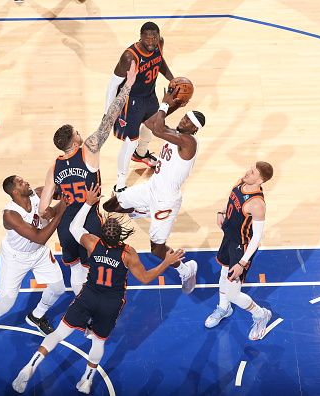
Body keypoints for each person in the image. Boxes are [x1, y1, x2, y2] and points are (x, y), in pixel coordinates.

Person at [12, 184, 184, 394]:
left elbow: (75, 227)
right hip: (110, 304)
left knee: (58, 334)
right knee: (98, 341)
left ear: (102, 233)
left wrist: (87, 203)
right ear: (121, 236)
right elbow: (146, 278)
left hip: (88, 297)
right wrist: (167, 262)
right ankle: (86, 380)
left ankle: (30, 365)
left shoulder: (93, 243)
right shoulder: (127, 253)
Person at [38, 61, 137, 296]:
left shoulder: (54, 165)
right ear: (74, 141)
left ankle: (78, 304)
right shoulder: (89, 149)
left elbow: (43, 209)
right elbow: (110, 118)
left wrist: (57, 211)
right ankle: (91, 307)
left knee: (74, 269)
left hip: (65, 224)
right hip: (88, 220)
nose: (81, 134)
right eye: (77, 133)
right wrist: (128, 86)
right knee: (93, 269)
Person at [101, 87, 204, 293]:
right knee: (111, 204)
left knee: (156, 249)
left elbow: (157, 129)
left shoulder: (188, 142)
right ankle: (142, 210)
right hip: (151, 188)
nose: (183, 122)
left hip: (166, 200)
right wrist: (175, 104)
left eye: (188, 123)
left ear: (194, 130)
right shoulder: (175, 133)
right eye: (184, 118)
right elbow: (150, 123)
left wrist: (166, 103)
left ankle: (185, 270)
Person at [0, 176, 68, 359]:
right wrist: (61, 212)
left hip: (39, 253)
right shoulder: (10, 214)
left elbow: (59, 197)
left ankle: (37, 315)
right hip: (15, 258)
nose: (26, 182)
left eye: (24, 180)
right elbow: (40, 236)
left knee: (58, 288)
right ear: (15, 192)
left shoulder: (39, 194)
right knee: (5, 303)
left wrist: (66, 195)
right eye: (21, 183)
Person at [204, 162, 275, 340]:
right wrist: (221, 212)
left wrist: (242, 263)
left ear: (259, 180)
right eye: (249, 169)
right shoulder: (241, 182)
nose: (247, 172)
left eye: (252, 172)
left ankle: (260, 315)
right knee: (222, 274)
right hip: (228, 237)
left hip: (241, 247)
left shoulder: (257, 204)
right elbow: (230, 198)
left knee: (233, 293)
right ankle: (224, 308)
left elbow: (257, 237)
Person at [104, 21, 176, 193]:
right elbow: (113, 85)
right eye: (147, 37)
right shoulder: (129, 56)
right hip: (131, 101)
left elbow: (160, 62)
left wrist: (172, 79)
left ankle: (141, 154)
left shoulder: (159, 44)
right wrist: (108, 112)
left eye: (154, 37)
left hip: (150, 95)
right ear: (140, 37)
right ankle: (120, 183)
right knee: (130, 142)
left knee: (152, 126)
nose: (151, 40)